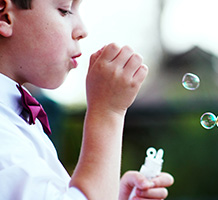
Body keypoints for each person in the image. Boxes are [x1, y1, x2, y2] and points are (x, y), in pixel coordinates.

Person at [0, 0, 174, 199]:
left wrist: (108, 192)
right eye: (64, 10)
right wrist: (107, 113)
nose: (82, 30)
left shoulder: (13, 113)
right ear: (4, 15)